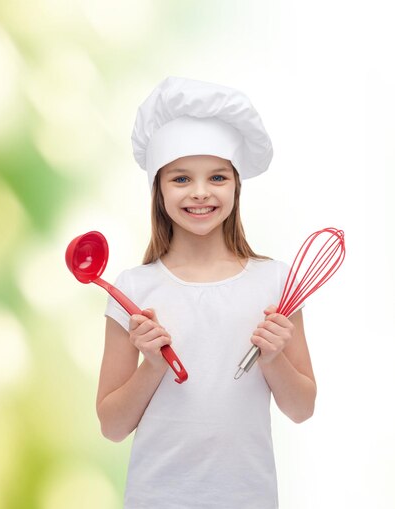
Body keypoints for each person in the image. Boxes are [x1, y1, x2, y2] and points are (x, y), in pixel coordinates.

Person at [96, 77, 316, 508]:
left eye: (217, 177)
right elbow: (112, 426)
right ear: (158, 189)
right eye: (181, 178)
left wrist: (272, 359)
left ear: (236, 185)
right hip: (156, 497)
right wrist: (152, 365)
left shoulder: (276, 284)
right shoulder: (133, 290)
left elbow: (302, 408)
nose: (200, 192)